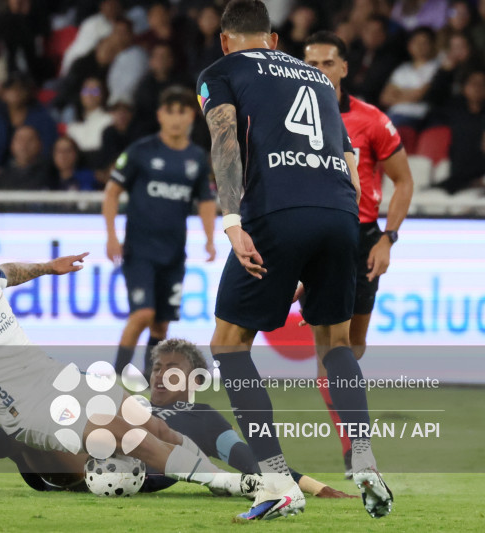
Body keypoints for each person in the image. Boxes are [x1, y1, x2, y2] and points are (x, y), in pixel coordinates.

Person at [0, 215, 253, 504]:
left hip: (58, 377)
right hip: (28, 410)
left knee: (151, 424)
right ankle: (230, 484)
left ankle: (229, 480)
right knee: (126, 435)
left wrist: (49, 267)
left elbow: (8, 271)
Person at [197, 0, 391, 520]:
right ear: (274, 39)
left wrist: (234, 223)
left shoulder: (221, 71)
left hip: (276, 212)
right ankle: (366, 463)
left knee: (229, 344)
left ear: (225, 40)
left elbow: (224, 142)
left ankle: (278, 481)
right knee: (334, 342)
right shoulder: (317, 79)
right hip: (340, 215)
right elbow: (350, 164)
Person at [0, 338, 353, 499]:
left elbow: (241, 453)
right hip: (81, 462)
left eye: (171, 369)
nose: (160, 374)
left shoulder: (200, 414)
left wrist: (313, 486)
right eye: (157, 367)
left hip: (133, 473)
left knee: (34, 431)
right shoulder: (127, 403)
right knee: (32, 417)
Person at [304, 31, 413, 477]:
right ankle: (356, 451)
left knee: (351, 348)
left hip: (363, 238)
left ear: (344, 68)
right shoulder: (291, 119)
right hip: (314, 237)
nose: (319, 73)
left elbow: (403, 181)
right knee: (331, 353)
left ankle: (355, 440)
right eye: (311, 65)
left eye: (328, 64)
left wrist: (389, 237)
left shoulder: (371, 120)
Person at [103, 86, 216, 379]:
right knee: (142, 314)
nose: (176, 119)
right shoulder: (141, 151)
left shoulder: (197, 158)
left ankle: (151, 380)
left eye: (183, 111)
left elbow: (205, 200)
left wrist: (210, 238)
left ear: (192, 115)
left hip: (174, 254)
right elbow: (112, 192)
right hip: (140, 251)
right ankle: (116, 376)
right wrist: (112, 236)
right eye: (170, 111)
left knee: (161, 326)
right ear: (160, 116)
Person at [379, 26, 439, 129]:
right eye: (416, 42)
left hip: (415, 117)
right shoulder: (402, 69)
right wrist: (410, 94)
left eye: (424, 43)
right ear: (409, 46)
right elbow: (385, 98)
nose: (420, 46)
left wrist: (399, 93)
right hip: (393, 114)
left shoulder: (436, 68)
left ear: (432, 45)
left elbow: (420, 95)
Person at [0, 125, 50, 191]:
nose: (24, 144)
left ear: (40, 144)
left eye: (30, 140)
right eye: (20, 140)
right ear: (12, 145)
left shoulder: (51, 173)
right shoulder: (2, 177)